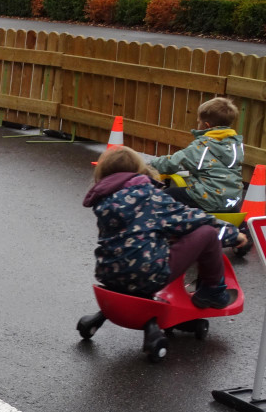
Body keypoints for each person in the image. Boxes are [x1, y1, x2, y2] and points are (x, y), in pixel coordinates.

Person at [83, 146, 247, 309]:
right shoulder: (150, 196)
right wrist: (233, 235)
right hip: (146, 276)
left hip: (108, 274)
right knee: (208, 233)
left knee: (156, 237)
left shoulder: (105, 200)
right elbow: (192, 219)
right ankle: (212, 292)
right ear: (138, 170)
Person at [146, 96, 245, 215]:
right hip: (233, 199)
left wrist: (148, 165)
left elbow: (172, 162)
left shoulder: (202, 145)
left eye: (198, 122)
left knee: (166, 195)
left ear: (206, 125)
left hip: (208, 197)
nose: (197, 125)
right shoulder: (236, 145)